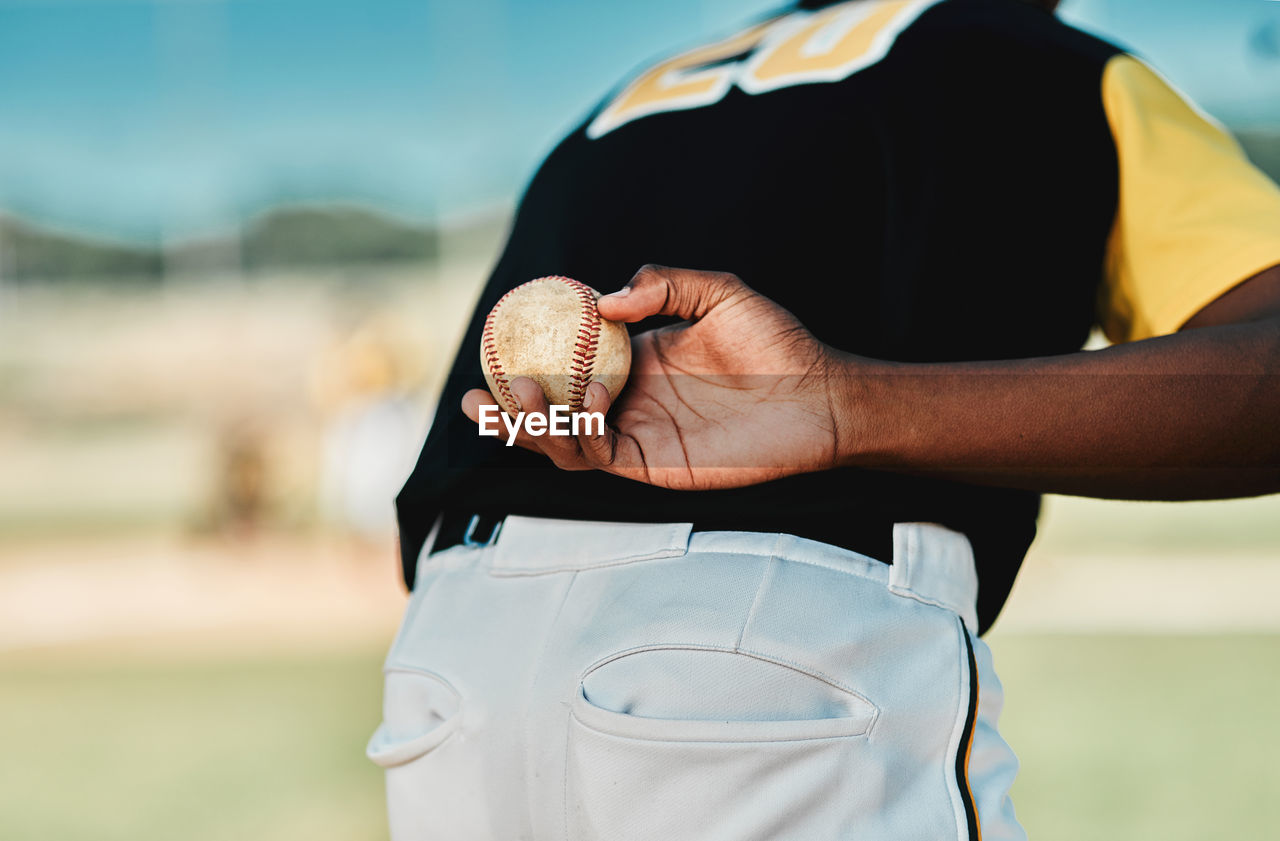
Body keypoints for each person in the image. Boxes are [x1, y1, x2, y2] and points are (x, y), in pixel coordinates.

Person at [368, 1, 1280, 838]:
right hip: (769, 649)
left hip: (450, 666)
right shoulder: (1054, 64)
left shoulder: (626, 100)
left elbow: (532, 413)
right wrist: (847, 405)